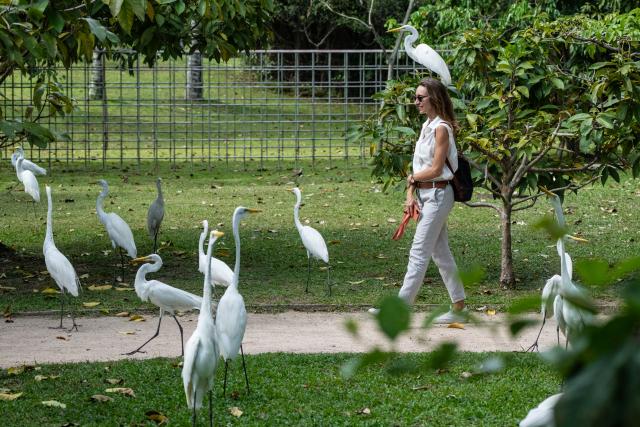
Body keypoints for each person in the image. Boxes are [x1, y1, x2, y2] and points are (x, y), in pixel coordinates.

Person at [370, 77, 467, 323]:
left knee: (419, 251)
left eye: (420, 98)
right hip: (425, 195)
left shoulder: (441, 128)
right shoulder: (426, 126)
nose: (415, 102)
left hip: (438, 194)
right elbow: (416, 171)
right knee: (440, 254)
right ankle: (460, 309)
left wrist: (412, 180)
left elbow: (435, 169)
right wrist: (410, 195)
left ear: (434, 98)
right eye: (415, 97)